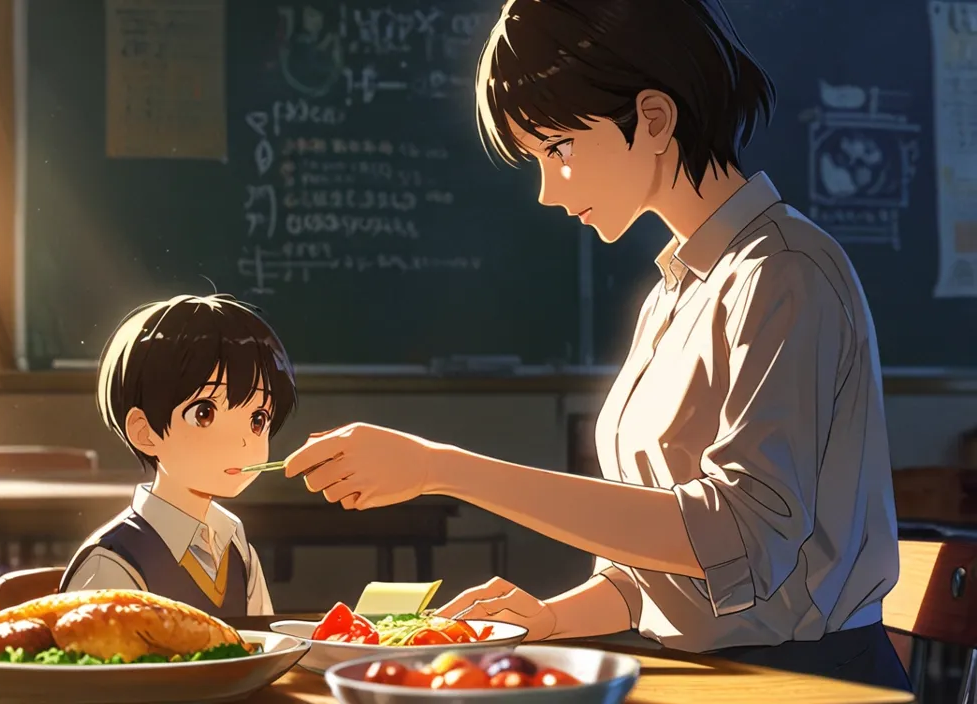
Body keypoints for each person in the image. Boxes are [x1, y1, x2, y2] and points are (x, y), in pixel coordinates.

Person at [282, 0, 910, 691]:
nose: (549, 190)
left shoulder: (785, 273)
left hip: (804, 683)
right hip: (703, 671)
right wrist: (546, 619)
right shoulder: (674, 291)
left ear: (654, 118)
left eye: (559, 149)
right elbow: (673, 570)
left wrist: (443, 468)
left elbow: (739, 537)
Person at [60, 294, 298, 617]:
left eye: (258, 420)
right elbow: (99, 664)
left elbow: (263, 646)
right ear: (144, 431)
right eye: (204, 414)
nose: (242, 442)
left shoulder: (236, 545)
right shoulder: (112, 562)